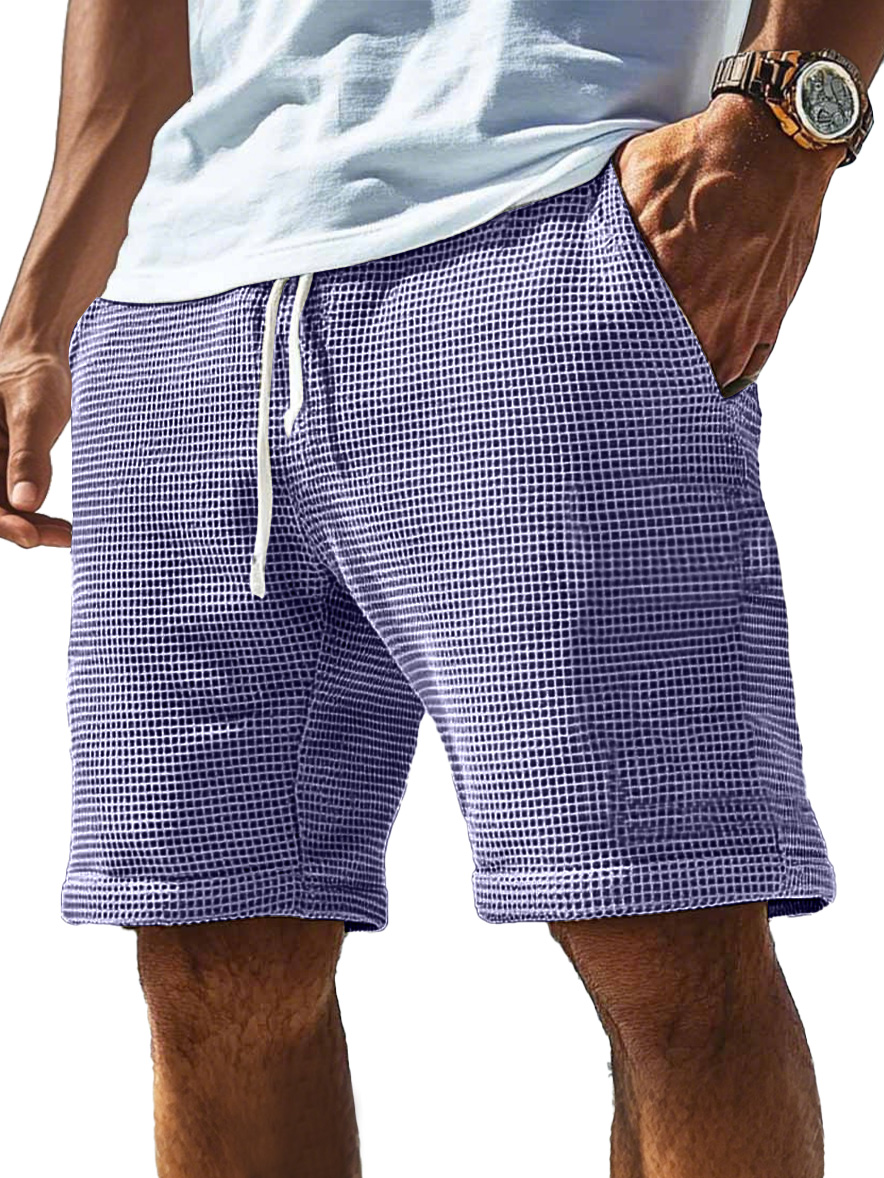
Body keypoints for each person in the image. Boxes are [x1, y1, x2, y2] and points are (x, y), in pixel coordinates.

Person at [0, 1, 878, 1175]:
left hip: (537, 216)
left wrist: (778, 134)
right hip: (178, 302)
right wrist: (41, 310)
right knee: (211, 961)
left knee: (662, 934)